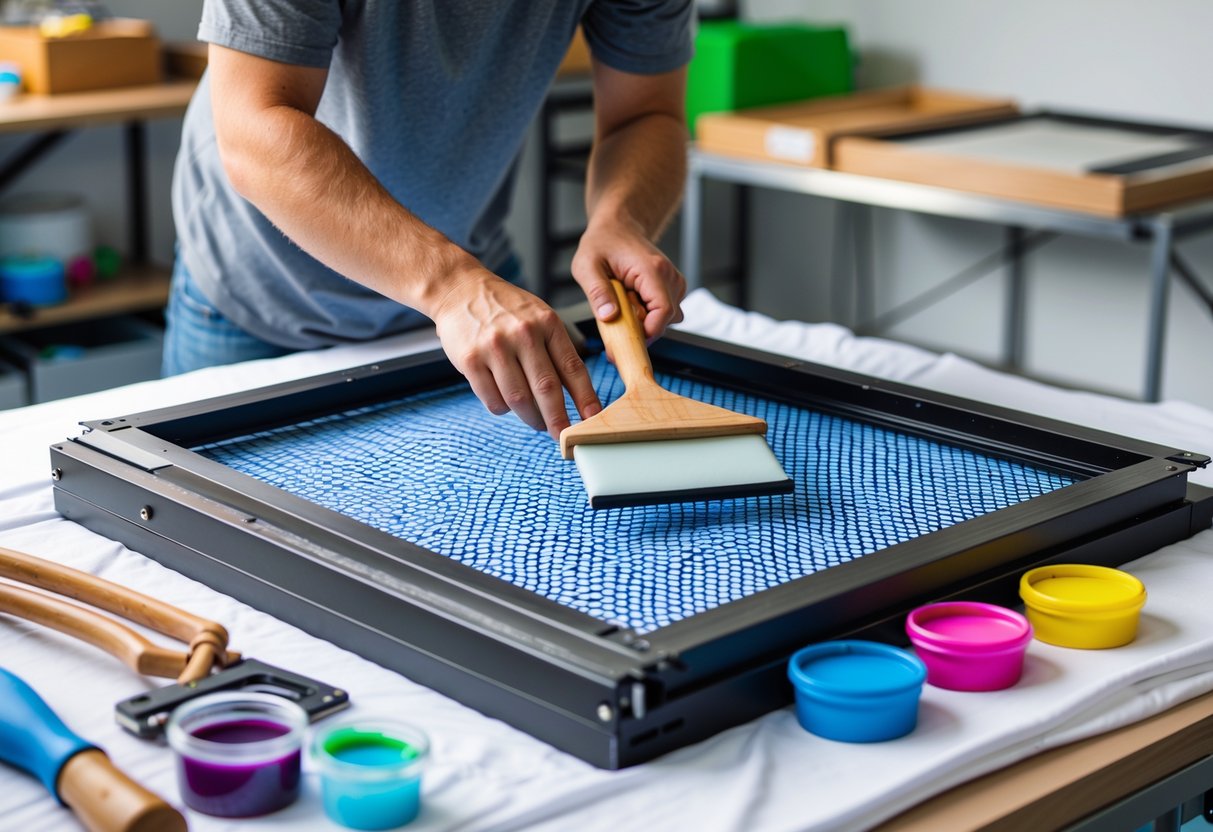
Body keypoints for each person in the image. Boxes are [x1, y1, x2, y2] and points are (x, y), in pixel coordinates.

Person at [165, 1, 693, 441]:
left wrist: (620, 219)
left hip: (471, 288)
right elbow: (254, 126)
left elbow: (645, 114)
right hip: (263, 293)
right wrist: (450, 285)